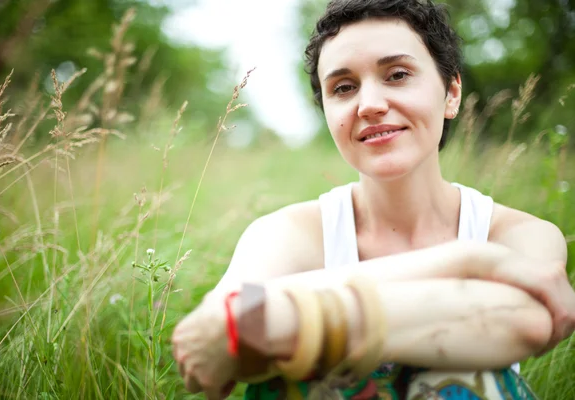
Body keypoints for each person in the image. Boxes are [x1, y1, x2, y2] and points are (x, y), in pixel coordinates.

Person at [171, 0, 575, 399]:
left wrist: (278, 318)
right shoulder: (287, 234)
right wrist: (468, 263)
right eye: (344, 88)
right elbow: (206, 346)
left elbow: (524, 322)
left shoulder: (519, 234)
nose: (370, 105)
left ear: (451, 93)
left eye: (397, 75)